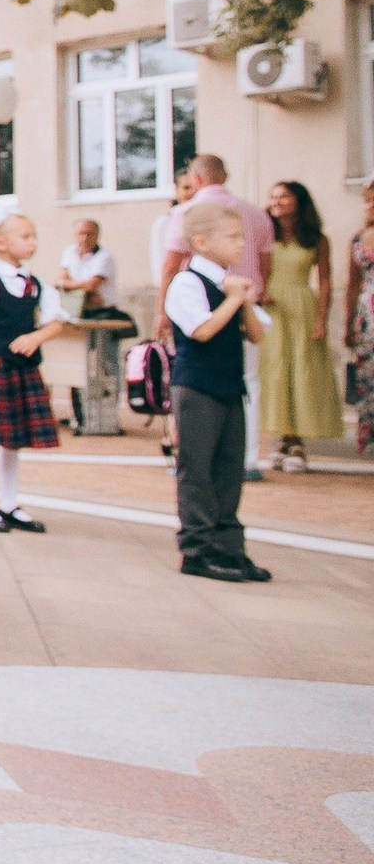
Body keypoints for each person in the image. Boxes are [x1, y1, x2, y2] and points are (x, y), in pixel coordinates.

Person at [167, 201, 272, 582]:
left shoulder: (229, 283)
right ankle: (197, 549)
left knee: (229, 469)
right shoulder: (187, 282)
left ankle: (230, 548)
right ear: (202, 242)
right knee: (197, 470)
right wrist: (232, 298)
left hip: (229, 386)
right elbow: (202, 330)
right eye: (233, 237)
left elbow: (259, 334)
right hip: (196, 387)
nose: (243, 244)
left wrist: (243, 301)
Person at [0, 210, 72, 533]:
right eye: (25, 236)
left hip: (24, 370)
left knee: (13, 440)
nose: (32, 242)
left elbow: (57, 321)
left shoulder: (38, 285)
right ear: (1, 242)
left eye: (33, 236)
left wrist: (36, 337)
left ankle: (8, 503)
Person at [159, 154, 274, 478]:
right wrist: (251, 292)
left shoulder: (186, 213)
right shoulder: (253, 212)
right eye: (234, 239)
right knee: (248, 383)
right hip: (206, 346)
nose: (240, 243)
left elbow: (169, 265)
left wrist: (161, 312)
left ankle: (234, 462)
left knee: (236, 392)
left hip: (237, 309)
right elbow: (267, 263)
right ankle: (249, 460)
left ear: (195, 179)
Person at [259, 180, 342, 470]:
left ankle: (296, 443)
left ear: (299, 201)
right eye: (273, 196)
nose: (276, 201)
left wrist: (322, 318)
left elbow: (326, 280)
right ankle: (283, 439)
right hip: (271, 310)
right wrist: (259, 292)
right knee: (276, 371)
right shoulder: (264, 234)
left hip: (302, 307)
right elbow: (252, 267)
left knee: (302, 372)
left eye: (283, 196)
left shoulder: (316, 238)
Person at [344, 183, 374, 453]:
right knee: (368, 376)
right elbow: (352, 283)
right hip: (367, 317)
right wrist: (347, 322)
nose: (370, 205)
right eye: (367, 200)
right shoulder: (359, 237)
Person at [55, 219, 117, 321]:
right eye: (81, 234)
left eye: (89, 234)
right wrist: (86, 288)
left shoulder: (105, 257)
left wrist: (66, 285)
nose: (85, 238)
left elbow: (91, 285)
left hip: (102, 312)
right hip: (76, 310)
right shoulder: (69, 252)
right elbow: (61, 280)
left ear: (97, 236)